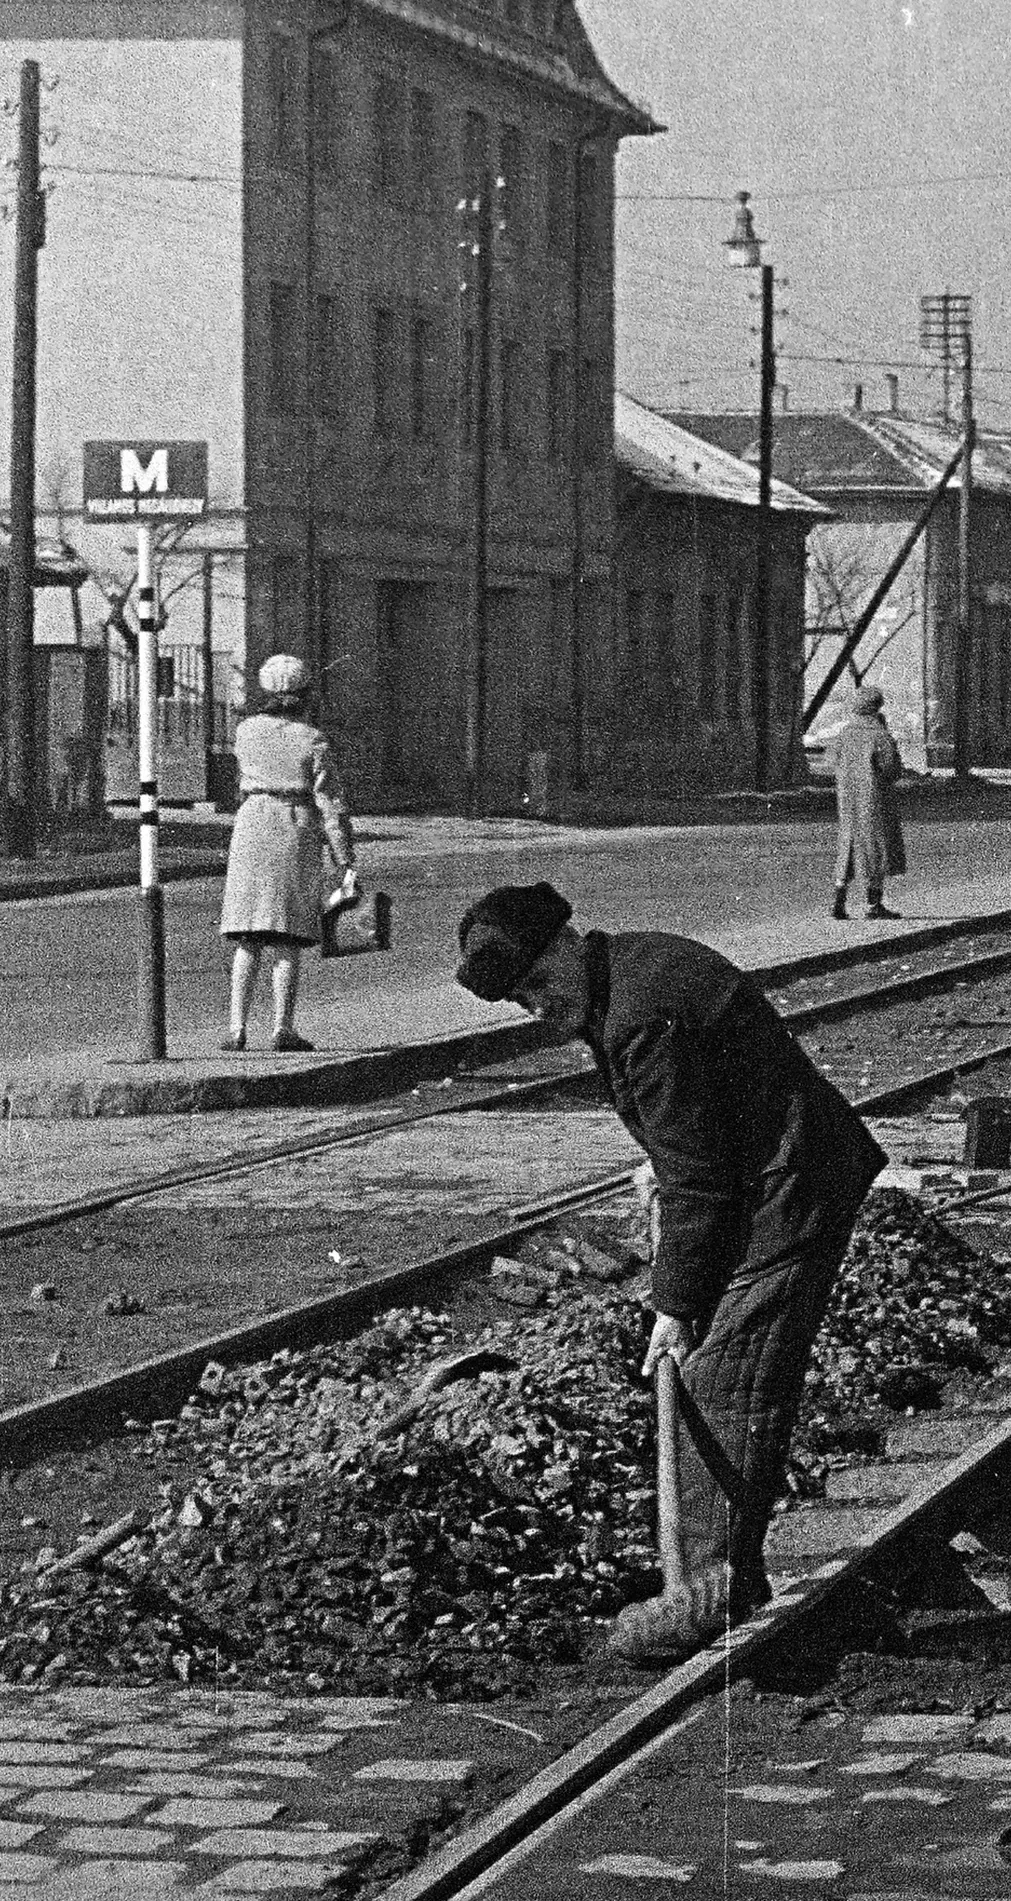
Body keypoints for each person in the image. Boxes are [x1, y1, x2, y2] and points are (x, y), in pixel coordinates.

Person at [453, 882, 882, 1663]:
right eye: (522, 1000)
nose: (537, 1007)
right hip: (769, 1172)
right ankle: (725, 1581)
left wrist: (675, 1306)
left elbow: (701, 1181)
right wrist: (665, 1162)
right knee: (716, 1372)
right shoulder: (626, 972)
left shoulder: (640, 1013)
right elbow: (698, 1128)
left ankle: (710, 1599)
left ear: (567, 945)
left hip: (789, 1188)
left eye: (539, 986)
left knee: (720, 1377)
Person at [220, 653, 358, 1052]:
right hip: (293, 825)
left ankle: (236, 1029)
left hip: (251, 825)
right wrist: (344, 857)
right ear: (305, 693)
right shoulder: (312, 738)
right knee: (286, 933)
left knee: (247, 933)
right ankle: (282, 1027)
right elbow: (330, 802)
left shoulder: (245, 731)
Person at [829, 684, 905, 920]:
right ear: (877, 707)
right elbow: (892, 769)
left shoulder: (844, 734)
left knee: (848, 849)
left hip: (848, 801)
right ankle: (874, 905)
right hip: (874, 800)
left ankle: (839, 901)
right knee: (876, 850)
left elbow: (832, 761)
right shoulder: (879, 735)